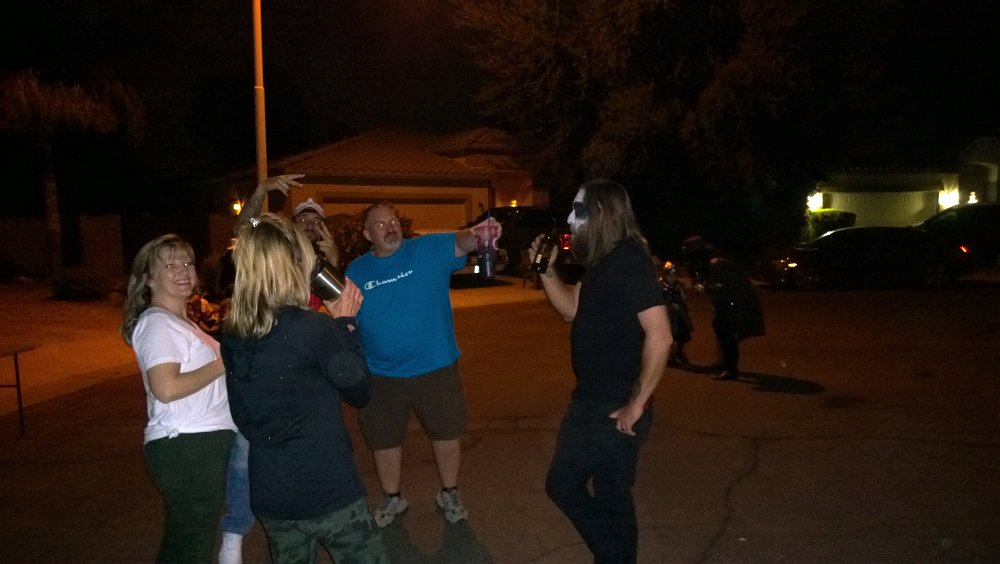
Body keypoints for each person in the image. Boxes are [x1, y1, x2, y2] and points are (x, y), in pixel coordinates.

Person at [219, 213, 388, 563]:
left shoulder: (233, 332)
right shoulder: (313, 329)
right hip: (326, 488)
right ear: (292, 263)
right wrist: (346, 324)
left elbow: (243, 418)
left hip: (272, 493)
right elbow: (359, 391)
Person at [529, 178, 671, 563]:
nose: (570, 220)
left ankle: (613, 556)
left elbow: (660, 335)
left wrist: (636, 404)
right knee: (610, 495)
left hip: (612, 406)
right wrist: (546, 272)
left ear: (602, 212)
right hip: (592, 400)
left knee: (565, 485)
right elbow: (570, 310)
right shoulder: (602, 261)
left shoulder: (628, 260)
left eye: (578, 211)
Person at [344, 200, 501, 527]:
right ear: (367, 235)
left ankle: (449, 492)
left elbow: (462, 242)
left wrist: (480, 233)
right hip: (381, 374)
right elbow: (346, 318)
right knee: (384, 439)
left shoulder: (427, 249)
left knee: (446, 433)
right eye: (380, 224)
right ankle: (392, 497)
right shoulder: (356, 271)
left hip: (435, 366)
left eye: (393, 221)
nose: (390, 228)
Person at [120, 234, 237, 564]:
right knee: (191, 547)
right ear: (149, 278)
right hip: (187, 445)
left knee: (187, 543)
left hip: (197, 445)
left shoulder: (180, 322)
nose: (183, 271)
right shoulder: (158, 323)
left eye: (187, 263)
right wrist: (223, 363)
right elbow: (166, 388)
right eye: (170, 265)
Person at [682, 236, 765, 380]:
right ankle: (724, 362)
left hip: (732, 304)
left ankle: (731, 370)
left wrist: (707, 288)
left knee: (727, 335)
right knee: (721, 330)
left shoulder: (716, 264)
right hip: (729, 303)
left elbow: (723, 287)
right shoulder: (714, 260)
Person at [658, 260, 694, 368]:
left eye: (674, 275)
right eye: (670, 276)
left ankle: (678, 353)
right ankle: (673, 356)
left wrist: (680, 305)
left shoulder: (678, 287)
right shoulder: (662, 288)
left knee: (683, 335)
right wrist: (669, 306)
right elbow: (660, 302)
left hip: (680, 314)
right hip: (669, 316)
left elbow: (684, 298)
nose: (672, 278)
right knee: (671, 336)